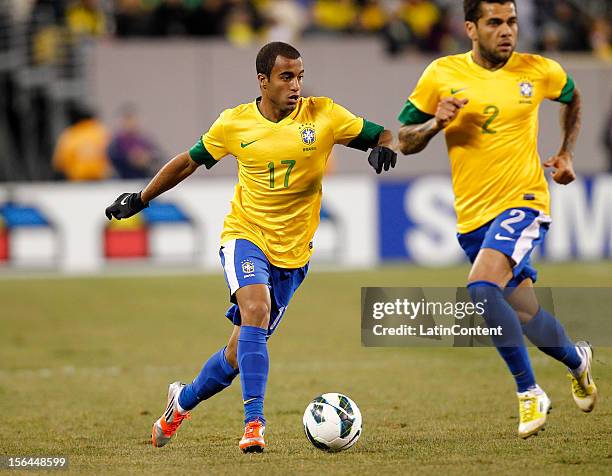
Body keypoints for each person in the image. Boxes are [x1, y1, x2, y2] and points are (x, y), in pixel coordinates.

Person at [105, 41, 396, 453]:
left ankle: (180, 403)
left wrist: (384, 144)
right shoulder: (234, 124)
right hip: (245, 235)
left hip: (294, 254)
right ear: (263, 81)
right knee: (255, 310)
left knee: (238, 351)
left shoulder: (325, 114)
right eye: (286, 77)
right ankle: (254, 424)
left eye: (299, 76)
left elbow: (381, 132)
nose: (296, 85)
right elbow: (187, 161)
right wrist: (141, 198)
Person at [396, 0, 597, 439]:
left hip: (524, 201)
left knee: (481, 287)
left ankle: (529, 393)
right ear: (470, 27)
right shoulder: (441, 74)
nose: (506, 31)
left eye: (511, 22)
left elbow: (572, 96)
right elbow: (403, 140)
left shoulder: (536, 69)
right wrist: (435, 123)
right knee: (527, 313)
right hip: (472, 217)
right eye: (494, 22)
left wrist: (566, 152)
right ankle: (578, 360)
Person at [52, 103, 111, 181]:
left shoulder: (70, 134)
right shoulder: (101, 132)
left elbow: (59, 162)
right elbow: (111, 155)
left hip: (77, 180)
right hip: (100, 178)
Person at [108, 105, 163, 179]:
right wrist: (129, 158)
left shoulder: (144, 140)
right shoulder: (116, 142)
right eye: (126, 119)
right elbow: (111, 159)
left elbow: (159, 156)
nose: (129, 123)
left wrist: (147, 158)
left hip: (142, 180)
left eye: (131, 119)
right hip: (122, 181)